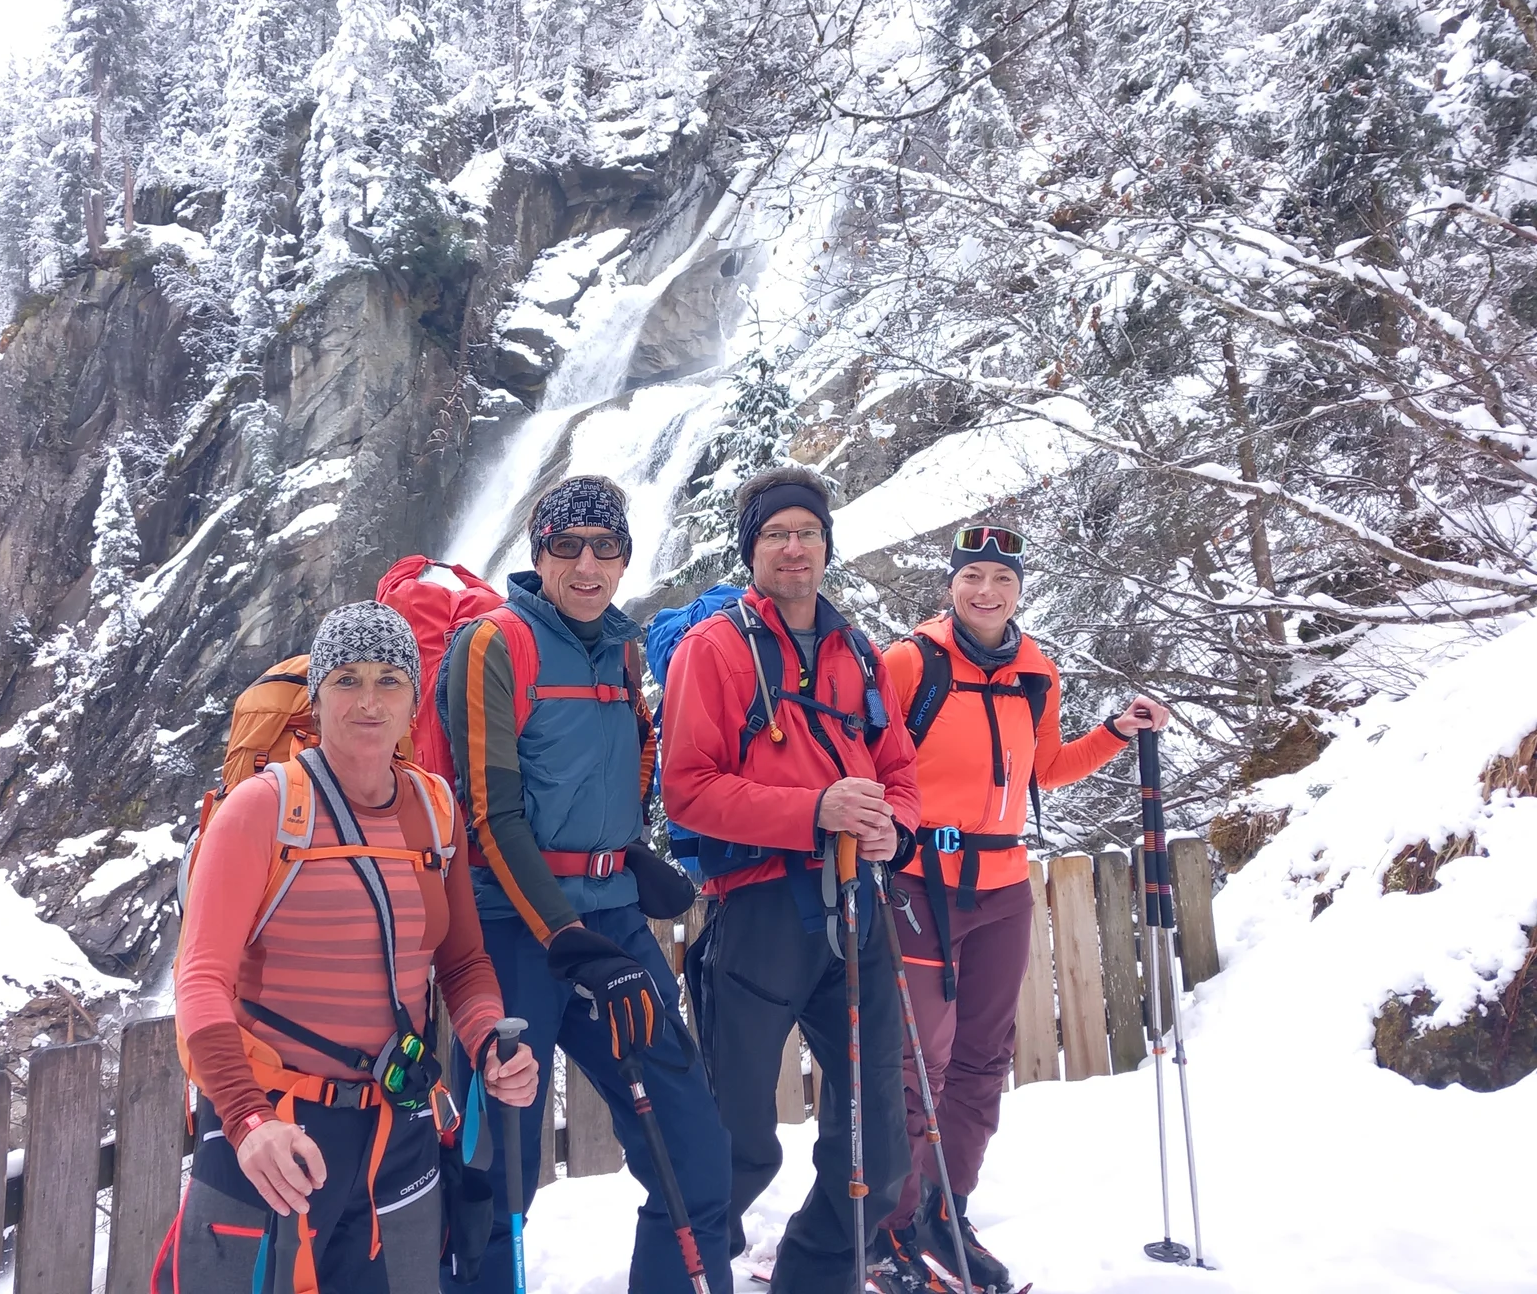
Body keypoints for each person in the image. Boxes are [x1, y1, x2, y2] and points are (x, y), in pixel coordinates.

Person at [163, 601, 540, 1293]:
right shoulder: (262, 809)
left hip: (398, 1129)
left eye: (390, 679)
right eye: (346, 678)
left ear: (415, 699)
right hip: (276, 1131)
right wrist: (247, 1121)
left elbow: (461, 962)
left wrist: (488, 1040)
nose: (369, 701)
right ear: (317, 695)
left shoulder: (434, 810)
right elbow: (200, 981)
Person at [443, 474, 733, 1294]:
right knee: (499, 1177)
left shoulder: (625, 644)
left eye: (606, 547)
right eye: (566, 546)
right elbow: (494, 814)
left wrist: (625, 858)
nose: (587, 565)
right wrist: (566, 937)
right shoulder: (494, 643)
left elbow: (607, 779)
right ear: (539, 553)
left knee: (693, 1155)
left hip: (611, 921)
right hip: (511, 931)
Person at [871, 526, 1170, 1293]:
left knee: (982, 1058)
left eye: (1000, 579)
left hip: (1005, 882)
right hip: (920, 883)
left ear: (1018, 590)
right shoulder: (910, 664)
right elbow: (872, 758)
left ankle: (947, 1207)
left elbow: (1047, 769)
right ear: (950, 586)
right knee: (918, 1062)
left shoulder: (1038, 673)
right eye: (971, 576)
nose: (985, 592)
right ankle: (892, 1226)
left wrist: (1114, 732)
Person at [661, 465, 923, 1294]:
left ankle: (813, 1278)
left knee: (878, 1148)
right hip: (760, 914)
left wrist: (895, 828)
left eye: (807, 531)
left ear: (825, 546)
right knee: (735, 1145)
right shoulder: (714, 650)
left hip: (859, 908)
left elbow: (901, 773)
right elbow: (688, 790)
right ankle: (678, 1274)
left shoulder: (859, 654)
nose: (794, 546)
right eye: (776, 533)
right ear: (752, 550)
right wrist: (817, 810)